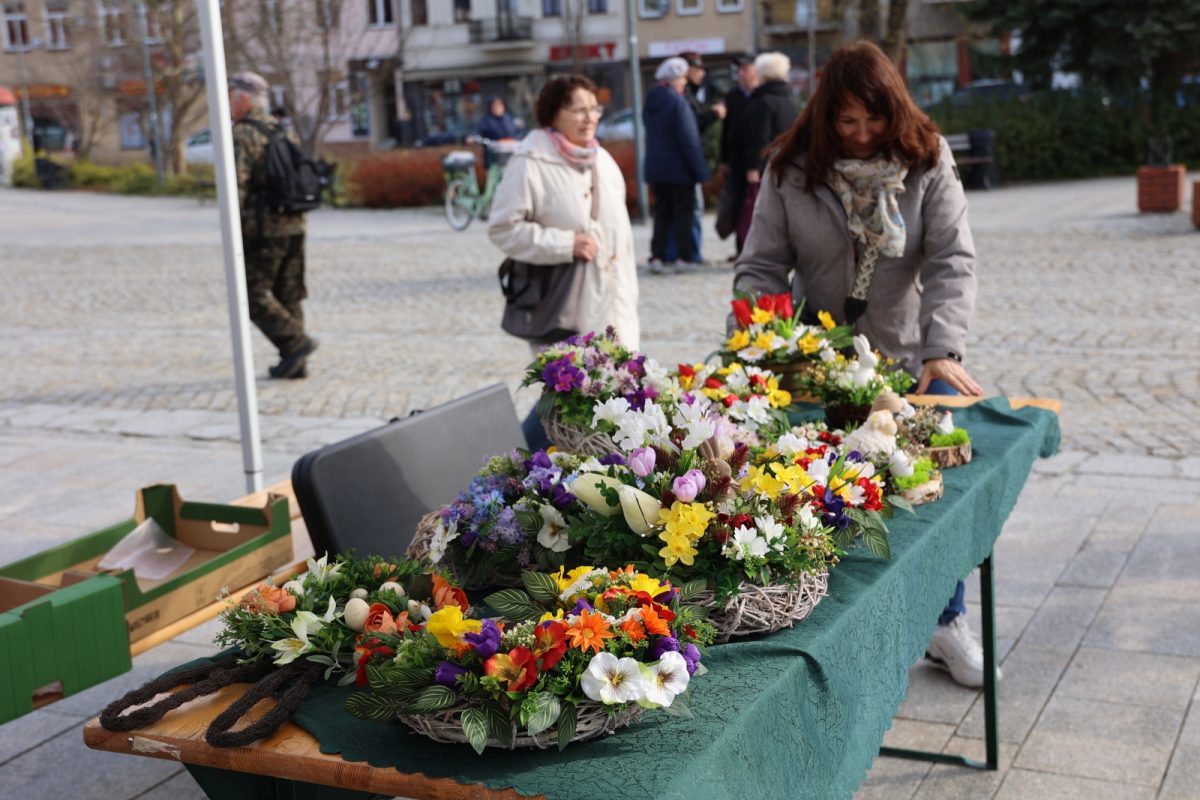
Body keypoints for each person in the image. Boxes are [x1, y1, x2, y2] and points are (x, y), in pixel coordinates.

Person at [733, 41, 989, 688]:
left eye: (874, 119)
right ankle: (843, 635)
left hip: (906, 360)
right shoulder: (792, 167)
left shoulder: (926, 158)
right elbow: (761, 265)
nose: (862, 133)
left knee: (926, 496)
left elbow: (952, 260)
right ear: (826, 116)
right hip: (816, 367)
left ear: (893, 110)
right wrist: (757, 345)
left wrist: (942, 349)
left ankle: (947, 619)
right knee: (823, 498)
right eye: (847, 121)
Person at [488, 74, 640, 448]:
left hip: (615, 304)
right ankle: (512, 464)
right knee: (568, 401)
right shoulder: (531, 160)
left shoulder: (602, 160)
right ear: (554, 113)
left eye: (595, 109)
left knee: (606, 404)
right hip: (565, 305)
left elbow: (622, 242)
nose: (590, 118)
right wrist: (565, 243)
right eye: (578, 110)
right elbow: (503, 228)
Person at [230, 71, 318, 379]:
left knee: (251, 294)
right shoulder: (281, 129)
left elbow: (237, 185)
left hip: (264, 229)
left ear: (243, 98)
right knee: (288, 293)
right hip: (296, 222)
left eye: (230, 98)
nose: (228, 105)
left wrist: (233, 226)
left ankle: (296, 343)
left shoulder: (243, 134)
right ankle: (295, 363)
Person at [643, 57, 710, 275]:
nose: (684, 82)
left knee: (662, 214)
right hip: (680, 171)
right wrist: (700, 171)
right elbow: (689, 140)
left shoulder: (651, 101)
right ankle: (684, 257)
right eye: (682, 78)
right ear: (673, 80)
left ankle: (657, 256)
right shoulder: (678, 103)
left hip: (656, 169)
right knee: (684, 214)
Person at [665, 52, 726, 267]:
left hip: (678, 163)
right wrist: (713, 115)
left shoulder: (685, 94)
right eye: (698, 69)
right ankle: (689, 253)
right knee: (690, 209)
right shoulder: (681, 95)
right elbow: (692, 128)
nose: (702, 73)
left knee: (680, 210)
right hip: (683, 164)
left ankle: (681, 253)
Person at [737, 52, 799, 247]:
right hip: (787, 163)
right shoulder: (789, 100)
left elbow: (759, 137)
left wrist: (753, 167)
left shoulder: (763, 102)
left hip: (766, 166)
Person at [718, 54, 761, 255]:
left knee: (756, 205)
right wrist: (724, 158)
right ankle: (741, 249)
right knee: (738, 204)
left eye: (745, 69)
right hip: (736, 160)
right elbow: (726, 130)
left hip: (757, 161)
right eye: (739, 70)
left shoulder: (761, 94)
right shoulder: (733, 96)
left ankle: (757, 248)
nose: (741, 73)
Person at [475, 96, 520, 168]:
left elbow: (516, 132)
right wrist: (473, 137)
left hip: (511, 153)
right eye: (495, 106)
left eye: (500, 105)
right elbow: (477, 132)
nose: (498, 108)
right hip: (494, 156)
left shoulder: (508, 118)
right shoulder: (486, 120)